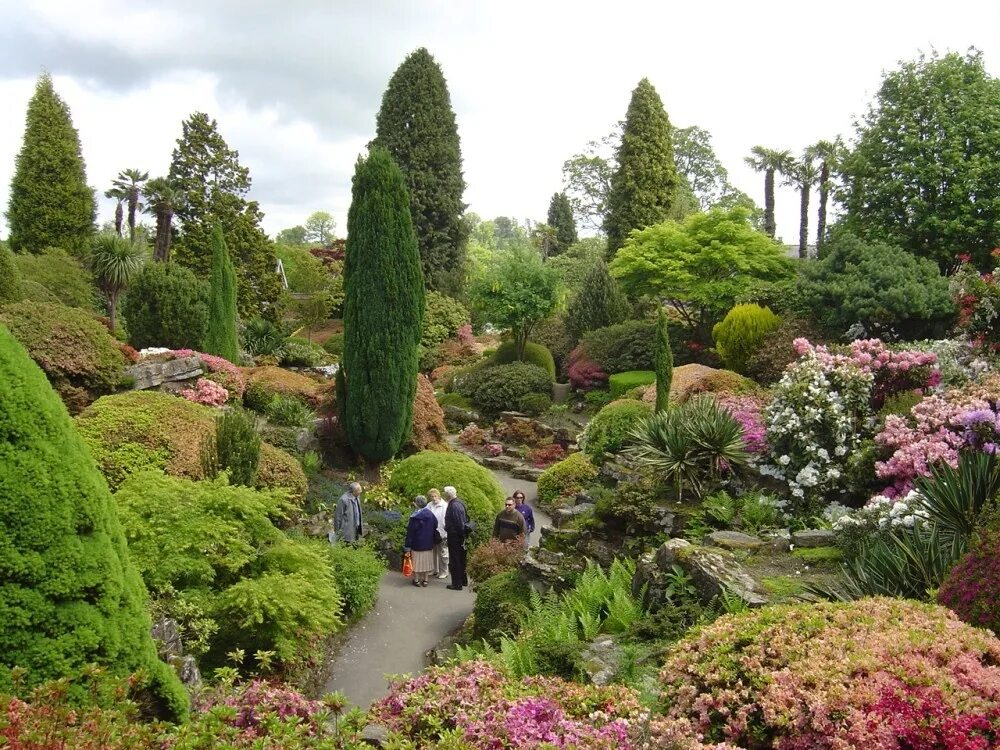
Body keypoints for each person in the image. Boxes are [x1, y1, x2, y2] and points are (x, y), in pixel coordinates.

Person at [403, 495, 437, 587]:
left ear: (417, 504)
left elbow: (410, 532)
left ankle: (416, 579)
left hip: (417, 543)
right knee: (427, 561)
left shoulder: (414, 517)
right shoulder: (430, 514)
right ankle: (426, 580)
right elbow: (436, 525)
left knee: (416, 562)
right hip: (428, 542)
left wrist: (407, 545)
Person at [443, 485, 469, 590]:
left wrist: (462, 537)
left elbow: (459, 524)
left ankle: (457, 583)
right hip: (458, 536)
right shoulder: (459, 502)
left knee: (455, 559)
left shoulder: (454, 506)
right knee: (461, 558)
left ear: (448, 495)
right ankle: (463, 581)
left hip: (455, 537)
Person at [427, 488, 449, 579]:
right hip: (432, 532)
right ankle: (433, 570)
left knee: (443, 553)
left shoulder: (444, 506)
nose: (434, 498)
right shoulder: (429, 505)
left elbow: (446, 520)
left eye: (435, 496)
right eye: (432, 496)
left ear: (438, 496)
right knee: (433, 552)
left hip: (442, 532)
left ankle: (444, 571)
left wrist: (445, 532)